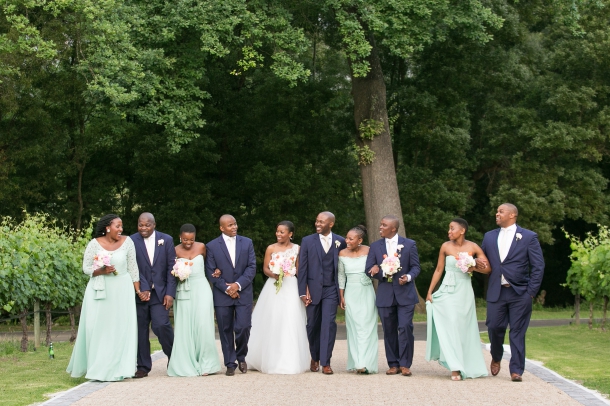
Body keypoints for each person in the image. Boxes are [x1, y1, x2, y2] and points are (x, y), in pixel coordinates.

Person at [476, 203, 545, 382]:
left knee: (517, 332)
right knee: (494, 327)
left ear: (512, 215)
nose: (497, 214)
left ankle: (516, 370)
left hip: (520, 292)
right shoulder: (489, 237)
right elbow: (484, 262)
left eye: (501, 211)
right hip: (496, 292)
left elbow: (538, 266)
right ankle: (496, 356)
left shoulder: (528, 237)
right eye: (497, 211)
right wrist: (472, 264)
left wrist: (531, 291)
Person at [67, 214, 140, 381]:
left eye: (121, 226)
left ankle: (121, 368)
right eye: (117, 226)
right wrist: (101, 271)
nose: (121, 229)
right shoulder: (94, 244)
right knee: (98, 328)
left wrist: (138, 291)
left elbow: (133, 268)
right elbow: (86, 268)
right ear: (108, 227)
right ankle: (98, 368)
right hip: (99, 290)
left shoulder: (128, 242)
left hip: (122, 289)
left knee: (120, 328)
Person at [425, 218, 491, 380]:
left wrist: (473, 265)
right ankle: (455, 367)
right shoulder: (445, 247)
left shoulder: (473, 247)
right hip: (447, 289)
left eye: (452, 228)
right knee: (452, 324)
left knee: (463, 327)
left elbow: (487, 269)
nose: (449, 232)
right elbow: (439, 270)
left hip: (464, 290)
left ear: (462, 230)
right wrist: (430, 291)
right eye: (449, 229)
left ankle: (467, 364)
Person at [246, 221, 310, 374]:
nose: (278, 234)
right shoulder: (271, 248)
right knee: (273, 319)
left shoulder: (297, 249)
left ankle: (290, 359)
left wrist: (304, 289)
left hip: (291, 286)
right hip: (274, 286)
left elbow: (300, 270)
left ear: (290, 234)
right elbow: (265, 268)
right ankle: (267, 358)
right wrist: (275, 274)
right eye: (277, 231)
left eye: (282, 232)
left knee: (290, 319)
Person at [366, 215, 420, 376]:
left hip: (405, 294)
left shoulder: (409, 244)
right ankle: (393, 363)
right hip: (385, 294)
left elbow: (416, 267)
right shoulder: (375, 246)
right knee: (388, 330)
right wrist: (380, 272)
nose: (380, 227)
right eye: (380, 224)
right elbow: (369, 269)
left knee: (405, 327)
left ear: (394, 228)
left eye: (384, 225)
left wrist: (408, 277)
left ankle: (405, 364)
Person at [205, 214, 256, 376]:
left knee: (243, 327)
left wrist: (237, 285)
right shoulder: (212, 246)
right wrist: (227, 289)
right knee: (225, 329)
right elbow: (211, 271)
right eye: (230, 225)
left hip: (243, 293)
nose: (234, 227)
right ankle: (230, 363)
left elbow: (251, 267)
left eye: (235, 224)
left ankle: (241, 356)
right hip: (222, 295)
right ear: (222, 228)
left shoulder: (247, 242)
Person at [167, 224, 221, 377]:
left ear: (195, 237)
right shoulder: (175, 250)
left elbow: (210, 265)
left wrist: (216, 271)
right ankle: (186, 363)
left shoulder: (202, 247)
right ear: (180, 237)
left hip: (202, 288)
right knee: (185, 326)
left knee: (203, 325)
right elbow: (170, 273)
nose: (188, 242)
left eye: (191, 239)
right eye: (185, 239)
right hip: (183, 291)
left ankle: (207, 364)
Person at [297, 211, 346, 375]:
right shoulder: (307, 241)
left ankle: (326, 362)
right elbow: (302, 268)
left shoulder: (340, 241)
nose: (317, 224)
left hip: (331, 289)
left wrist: (341, 292)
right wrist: (302, 292)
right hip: (312, 290)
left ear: (331, 224)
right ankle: (314, 356)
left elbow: (346, 263)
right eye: (316, 221)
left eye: (321, 222)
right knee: (312, 326)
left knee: (329, 325)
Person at [131, 212, 177, 378]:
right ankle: (142, 366)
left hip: (160, 293)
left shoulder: (167, 240)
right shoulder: (131, 241)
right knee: (140, 330)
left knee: (161, 325)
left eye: (147, 225)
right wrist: (142, 289)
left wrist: (170, 293)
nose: (143, 228)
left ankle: (174, 357)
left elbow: (172, 268)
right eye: (140, 225)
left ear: (154, 225)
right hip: (139, 294)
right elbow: (132, 267)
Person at [338, 225, 378, 374]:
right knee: (354, 328)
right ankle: (357, 362)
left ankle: (365, 363)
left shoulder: (369, 250)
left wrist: (376, 267)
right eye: (346, 237)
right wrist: (341, 295)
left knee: (367, 327)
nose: (346, 240)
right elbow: (341, 276)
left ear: (360, 240)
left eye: (350, 238)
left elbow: (377, 265)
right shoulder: (341, 253)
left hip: (366, 291)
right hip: (350, 293)